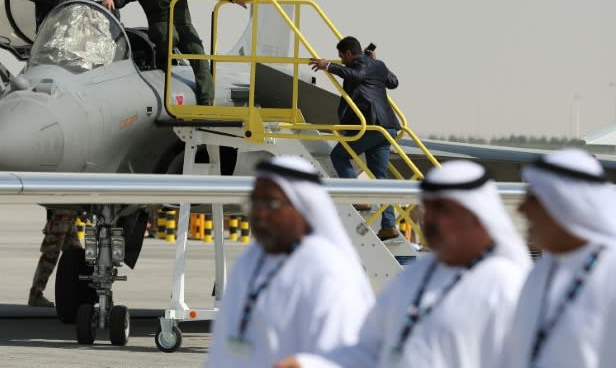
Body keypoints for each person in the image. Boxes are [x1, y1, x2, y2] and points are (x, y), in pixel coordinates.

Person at [278, 160, 532, 368]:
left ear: (476, 216)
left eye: (441, 209)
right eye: (426, 209)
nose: (427, 220)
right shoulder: (414, 277)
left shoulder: (505, 285)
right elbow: (370, 352)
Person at [205, 156, 374, 367]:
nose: (258, 213)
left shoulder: (327, 271)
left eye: (270, 203)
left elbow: (348, 358)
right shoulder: (249, 261)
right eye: (254, 202)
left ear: (303, 208)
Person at [504, 148, 616, 367]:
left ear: (565, 203)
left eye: (533, 199)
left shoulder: (611, 272)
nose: (521, 209)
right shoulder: (540, 273)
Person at [101, 0, 246, 106]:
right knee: (169, 36)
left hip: (184, 24)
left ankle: (206, 102)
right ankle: (163, 60)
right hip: (160, 24)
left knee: (200, 57)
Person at [310, 37, 402, 241]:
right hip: (387, 127)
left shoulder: (359, 65)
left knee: (339, 156)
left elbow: (358, 74)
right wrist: (376, 62)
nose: (341, 59)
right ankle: (389, 225)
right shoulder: (377, 65)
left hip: (371, 126)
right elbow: (393, 82)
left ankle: (358, 196)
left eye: (342, 55)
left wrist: (329, 66)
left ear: (350, 53)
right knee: (381, 177)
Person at [28, 208, 82, 307]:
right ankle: (35, 294)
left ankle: (74, 296)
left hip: (69, 218)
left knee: (76, 255)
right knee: (50, 257)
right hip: (61, 218)